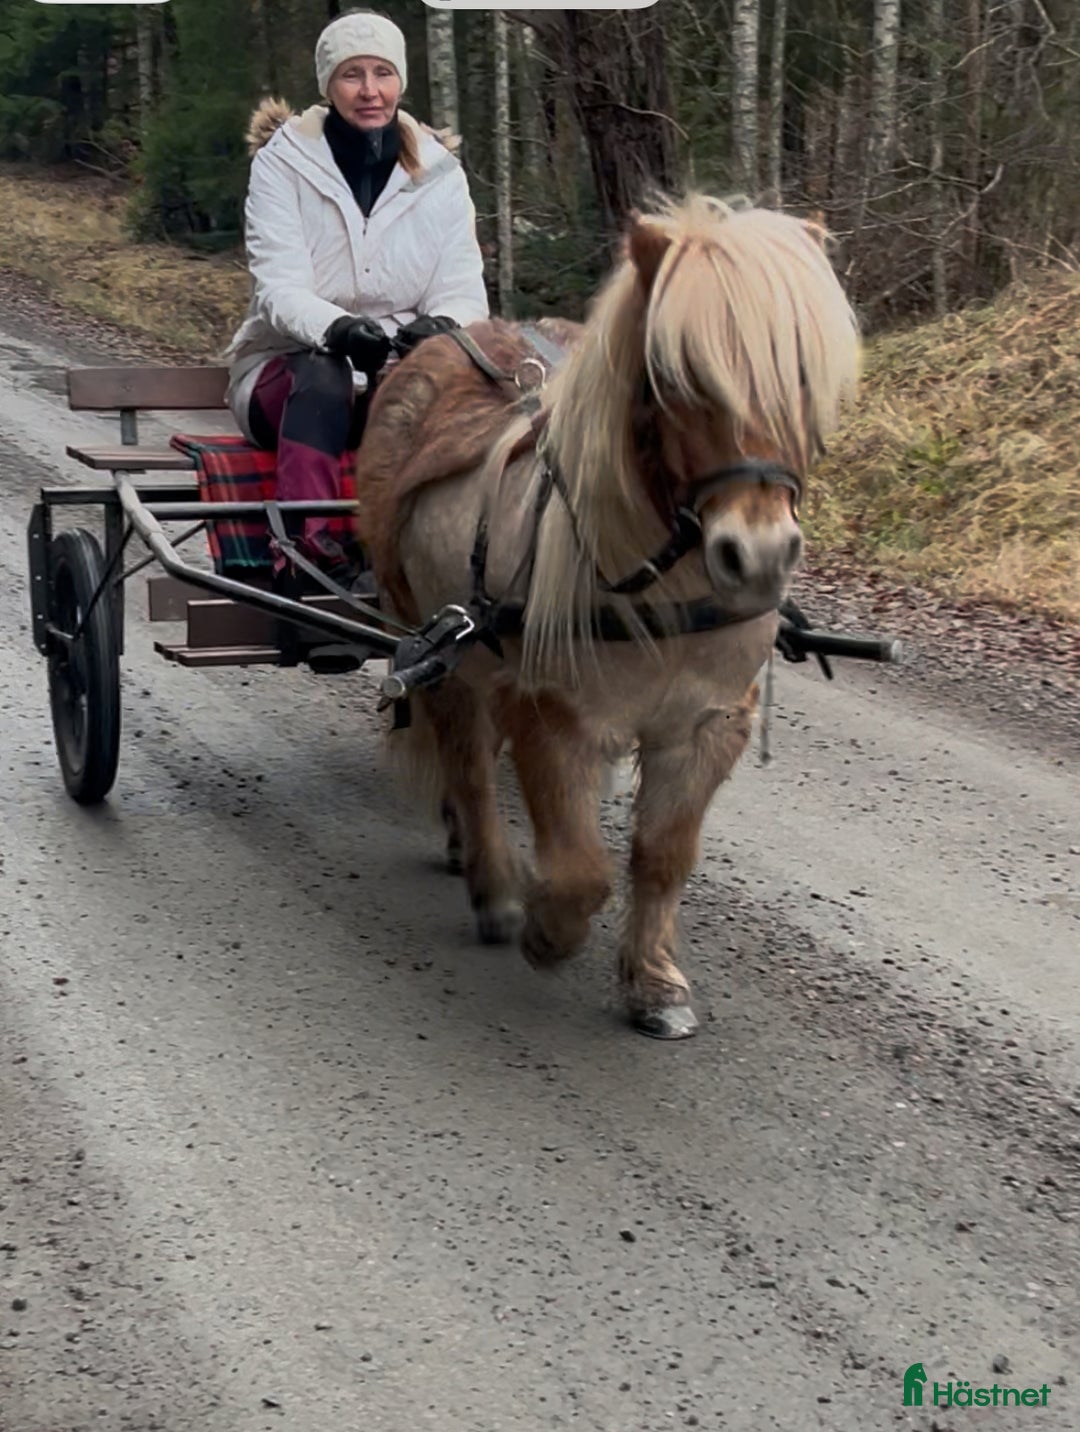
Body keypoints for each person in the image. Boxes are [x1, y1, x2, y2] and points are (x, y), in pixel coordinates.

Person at [222, 9, 490, 588]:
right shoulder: (283, 165)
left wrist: (442, 324)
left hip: (393, 379)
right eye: (352, 74)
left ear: (401, 82)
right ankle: (306, 556)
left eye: (382, 73)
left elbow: (463, 286)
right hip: (286, 377)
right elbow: (278, 287)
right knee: (322, 373)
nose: (370, 90)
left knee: (457, 395)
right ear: (328, 84)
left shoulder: (442, 175)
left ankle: (427, 564)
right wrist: (339, 330)